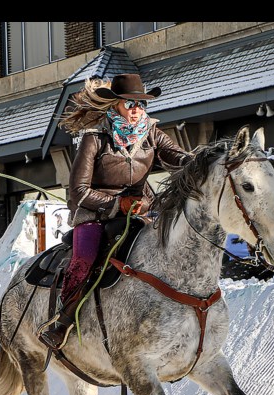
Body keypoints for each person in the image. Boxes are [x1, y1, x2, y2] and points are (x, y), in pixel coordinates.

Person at [38, 73, 192, 350]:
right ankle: (63, 320)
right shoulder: (94, 138)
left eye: (141, 104)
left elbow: (178, 157)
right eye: (130, 104)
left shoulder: (153, 134)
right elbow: (79, 191)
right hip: (95, 215)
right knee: (84, 259)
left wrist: (200, 161)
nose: (136, 110)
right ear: (115, 106)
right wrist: (116, 205)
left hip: (143, 211)